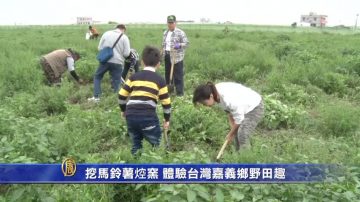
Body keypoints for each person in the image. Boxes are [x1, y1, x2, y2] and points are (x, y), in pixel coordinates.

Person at [118, 46, 171, 155]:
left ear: (142, 62)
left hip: (131, 116)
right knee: (156, 143)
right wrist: (166, 120)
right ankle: (157, 162)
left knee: (136, 143)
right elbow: (166, 103)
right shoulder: (160, 80)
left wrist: (123, 110)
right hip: (148, 117)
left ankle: (136, 162)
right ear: (158, 64)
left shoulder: (133, 77)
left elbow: (122, 95)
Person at [193, 82, 264, 151]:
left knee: (243, 134)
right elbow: (230, 113)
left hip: (254, 106)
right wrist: (233, 130)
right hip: (242, 108)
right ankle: (239, 157)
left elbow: (239, 120)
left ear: (210, 96)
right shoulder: (216, 95)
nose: (206, 106)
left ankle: (247, 160)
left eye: (204, 103)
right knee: (236, 133)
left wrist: (230, 134)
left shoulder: (227, 98)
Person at [88, 24, 130, 102]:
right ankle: (116, 100)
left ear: (115, 28)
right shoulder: (124, 37)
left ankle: (96, 97)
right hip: (118, 62)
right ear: (124, 29)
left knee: (97, 76)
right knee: (116, 81)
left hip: (105, 60)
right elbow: (126, 53)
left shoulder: (106, 33)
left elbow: (99, 48)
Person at [162, 15, 189, 96]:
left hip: (176, 57)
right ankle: (169, 90)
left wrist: (179, 45)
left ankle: (180, 93)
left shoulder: (180, 32)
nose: (170, 24)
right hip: (167, 56)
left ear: (175, 23)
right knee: (167, 74)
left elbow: (187, 44)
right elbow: (164, 44)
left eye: (172, 23)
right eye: (169, 23)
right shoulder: (165, 33)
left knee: (178, 76)